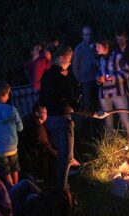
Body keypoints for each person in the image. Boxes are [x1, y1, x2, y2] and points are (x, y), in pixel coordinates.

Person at [39, 46, 80, 190]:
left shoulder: (46, 76)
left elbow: (42, 99)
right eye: (69, 60)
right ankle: (61, 189)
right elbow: (72, 100)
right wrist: (93, 113)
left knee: (60, 153)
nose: (69, 63)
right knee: (66, 157)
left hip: (50, 119)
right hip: (62, 120)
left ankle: (62, 179)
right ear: (61, 59)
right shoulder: (62, 79)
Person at [95, 38, 129, 141]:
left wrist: (112, 77)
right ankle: (110, 143)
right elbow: (97, 73)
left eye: (98, 46)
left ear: (106, 46)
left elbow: (127, 71)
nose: (96, 48)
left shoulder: (117, 56)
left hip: (118, 93)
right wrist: (99, 79)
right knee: (108, 120)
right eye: (96, 46)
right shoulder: (98, 59)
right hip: (104, 95)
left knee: (124, 118)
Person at [18, 103, 57, 181]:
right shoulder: (37, 127)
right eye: (44, 113)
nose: (46, 115)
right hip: (30, 158)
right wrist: (58, 155)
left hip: (23, 154)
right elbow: (44, 146)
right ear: (36, 113)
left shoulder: (28, 119)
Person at [73, 26, 98, 113]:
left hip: (96, 79)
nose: (89, 37)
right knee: (88, 105)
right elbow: (75, 66)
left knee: (97, 104)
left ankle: (97, 124)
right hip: (85, 81)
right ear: (82, 36)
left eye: (90, 34)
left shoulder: (95, 46)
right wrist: (79, 79)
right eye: (86, 35)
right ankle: (88, 124)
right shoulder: (79, 48)